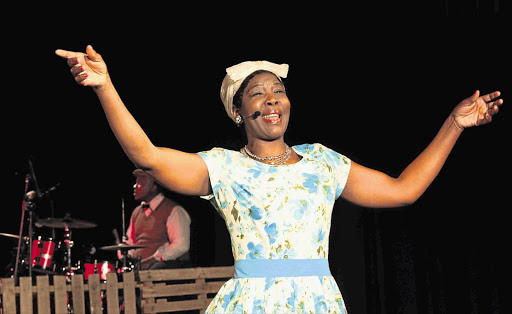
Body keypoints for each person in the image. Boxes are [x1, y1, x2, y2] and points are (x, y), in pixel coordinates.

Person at [56, 46, 502, 313]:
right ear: (237, 111)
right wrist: (104, 86)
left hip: (317, 301)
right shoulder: (224, 167)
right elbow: (148, 157)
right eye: (257, 94)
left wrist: (454, 125)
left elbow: (405, 190)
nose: (272, 101)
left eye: (279, 91)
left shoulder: (322, 163)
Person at [121, 169, 191, 270]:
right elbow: (130, 242)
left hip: (164, 269)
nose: (135, 186)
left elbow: (181, 245)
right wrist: (126, 253)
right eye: (136, 182)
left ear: (154, 187)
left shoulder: (173, 210)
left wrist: (153, 260)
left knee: (157, 269)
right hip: (140, 265)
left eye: (140, 183)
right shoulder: (136, 212)